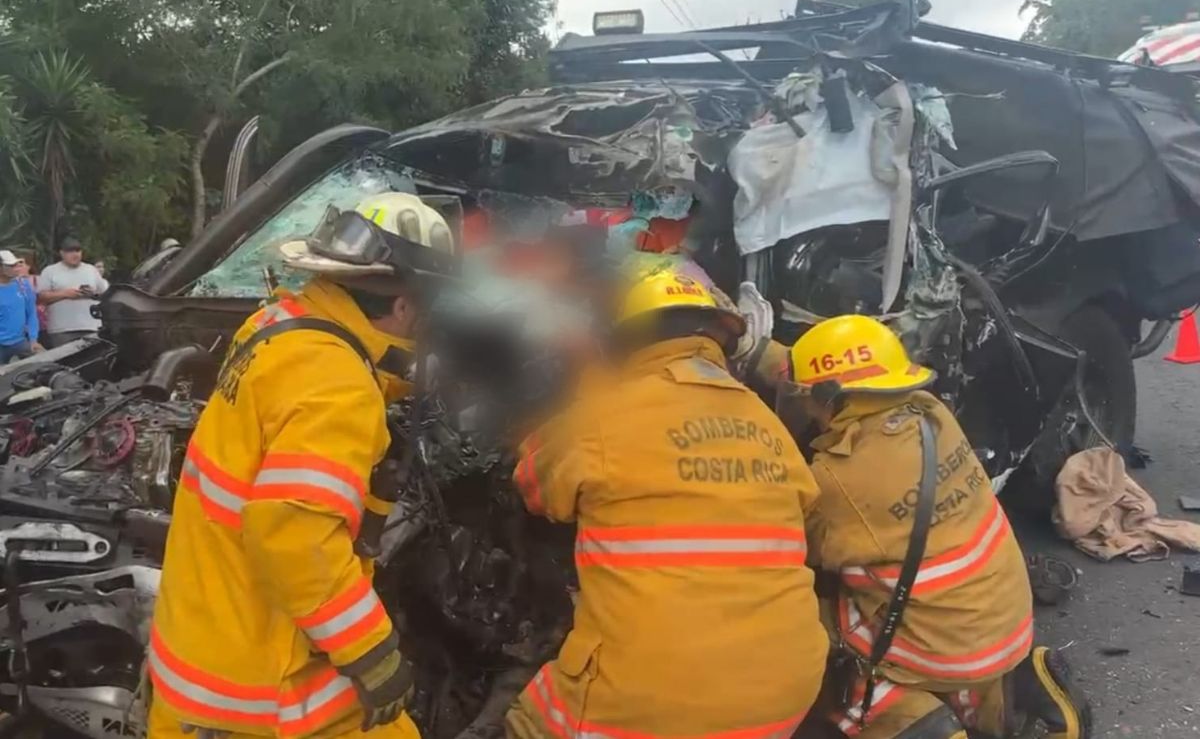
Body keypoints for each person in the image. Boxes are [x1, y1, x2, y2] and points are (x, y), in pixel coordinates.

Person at [147, 193, 458, 739]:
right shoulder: (338, 385)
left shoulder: (277, 324)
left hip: (198, 657)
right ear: (404, 304)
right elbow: (296, 537)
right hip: (258, 700)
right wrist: (372, 652)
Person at [504, 266, 829, 739]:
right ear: (719, 341)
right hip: (787, 697)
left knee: (529, 720)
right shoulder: (770, 424)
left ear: (622, 344)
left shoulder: (601, 416)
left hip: (649, 707)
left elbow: (535, 487)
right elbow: (807, 509)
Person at [781, 315, 1089, 739]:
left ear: (830, 397)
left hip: (947, 648)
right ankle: (1023, 690)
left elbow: (792, 545)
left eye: (808, 398)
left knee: (799, 623)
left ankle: (914, 722)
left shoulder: (839, 478)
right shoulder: (932, 415)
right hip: (1007, 626)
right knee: (924, 596)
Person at [36, 236, 108, 347]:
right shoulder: (50, 271)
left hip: (90, 327)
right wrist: (65, 294)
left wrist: (92, 293)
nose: (75, 254)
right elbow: (41, 298)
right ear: (62, 253)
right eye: (70, 251)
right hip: (62, 329)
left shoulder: (91, 270)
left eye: (77, 251)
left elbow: (105, 294)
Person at [0, 250, 40, 362]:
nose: (16, 268)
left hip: (20, 341)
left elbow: (31, 312)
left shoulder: (23, 285)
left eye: (15, 264)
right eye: (10, 266)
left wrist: (33, 338)